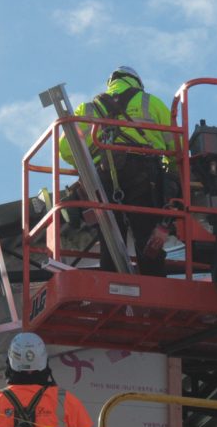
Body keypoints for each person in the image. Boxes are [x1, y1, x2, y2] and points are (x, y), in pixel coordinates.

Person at [59, 66, 179, 276]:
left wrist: (88, 165)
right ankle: (154, 284)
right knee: (147, 233)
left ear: (111, 83)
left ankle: (111, 281)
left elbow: (66, 149)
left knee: (110, 236)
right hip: (144, 174)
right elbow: (177, 148)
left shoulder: (87, 109)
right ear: (137, 82)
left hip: (102, 176)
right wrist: (172, 178)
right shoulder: (150, 102)